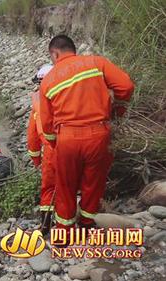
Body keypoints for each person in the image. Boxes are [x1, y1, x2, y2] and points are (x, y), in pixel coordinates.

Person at [39, 35, 134, 230]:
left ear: (54, 54)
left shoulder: (48, 80)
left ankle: (64, 232)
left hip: (67, 138)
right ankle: (87, 223)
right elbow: (126, 86)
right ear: (73, 49)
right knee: (94, 182)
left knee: (65, 186)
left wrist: (57, 144)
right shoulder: (96, 63)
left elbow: (47, 125)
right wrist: (116, 112)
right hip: (99, 135)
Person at [27, 64, 55, 235]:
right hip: (72, 144)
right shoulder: (66, 94)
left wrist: (36, 160)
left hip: (51, 149)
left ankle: (46, 226)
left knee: (48, 188)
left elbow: (32, 136)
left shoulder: (37, 100)